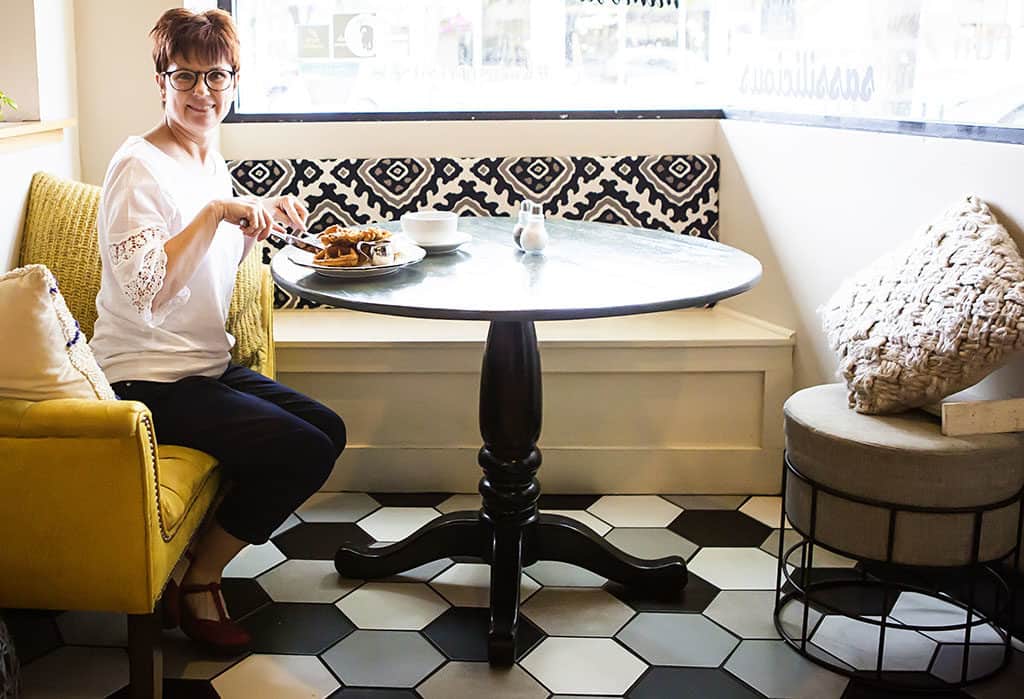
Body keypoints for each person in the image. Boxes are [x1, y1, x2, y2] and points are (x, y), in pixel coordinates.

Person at [89, 8, 346, 652]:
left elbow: (210, 271)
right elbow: (147, 293)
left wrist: (259, 220)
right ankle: (200, 578)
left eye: (217, 76)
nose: (202, 91)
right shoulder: (137, 165)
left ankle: (189, 568)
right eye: (185, 76)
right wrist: (215, 214)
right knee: (302, 449)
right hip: (145, 377)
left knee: (328, 430)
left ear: (234, 81)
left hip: (202, 365)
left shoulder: (207, 158)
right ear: (161, 81)